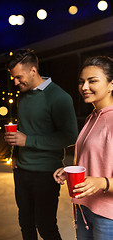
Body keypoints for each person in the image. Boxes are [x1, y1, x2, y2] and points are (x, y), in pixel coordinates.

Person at [4, 49, 78, 240]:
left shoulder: (59, 97)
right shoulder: (23, 95)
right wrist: (15, 156)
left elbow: (70, 137)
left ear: (33, 71)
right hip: (21, 171)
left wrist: (27, 140)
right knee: (25, 225)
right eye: (13, 77)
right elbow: (25, 127)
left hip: (47, 173)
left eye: (19, 77)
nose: (16, 82)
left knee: (46, 227)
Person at [54, 56, 113, 239]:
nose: (84, 87)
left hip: (107, 215)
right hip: (83, 208)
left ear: (111, 84)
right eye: (82, 82)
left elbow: (101, 178)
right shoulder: (92, 117)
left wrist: (102, 182)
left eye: (92, 81)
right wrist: (70, 171)